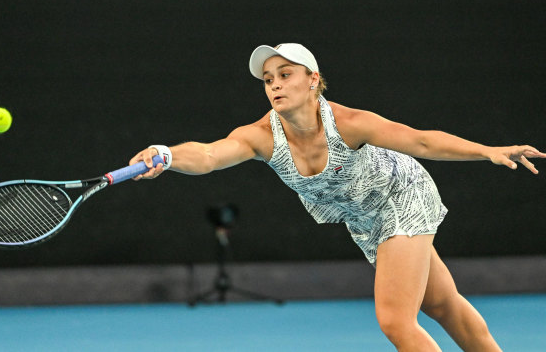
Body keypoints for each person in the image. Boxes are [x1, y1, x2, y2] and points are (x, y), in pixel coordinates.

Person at [129, 43, 545, 351]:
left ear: (313, 80)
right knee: (441, 304)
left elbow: (419, 140)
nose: (275, 84)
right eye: (268, 80)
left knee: (396, 322)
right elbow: (207, 154)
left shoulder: (348, 123)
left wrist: (487, 150)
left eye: (285, 74)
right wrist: (166, 155)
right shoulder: (259, 136)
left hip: (401, 196)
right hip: (365, 219)